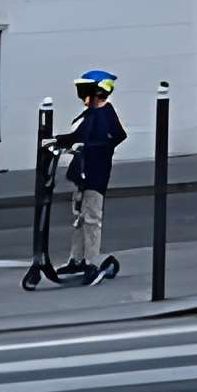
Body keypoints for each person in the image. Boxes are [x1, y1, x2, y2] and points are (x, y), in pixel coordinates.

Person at [43, 69, 128, 286]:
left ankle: (92, 261)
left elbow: (116, 136)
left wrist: (92, 148)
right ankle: (77, 259)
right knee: (80, 218)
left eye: (84, 90)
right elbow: (78, 136)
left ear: (96, 90)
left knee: (91, 218)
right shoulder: (90, 113)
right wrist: (59, 142)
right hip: (82, 172)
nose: (81, 95)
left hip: (96, 173)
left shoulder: (105, 113)